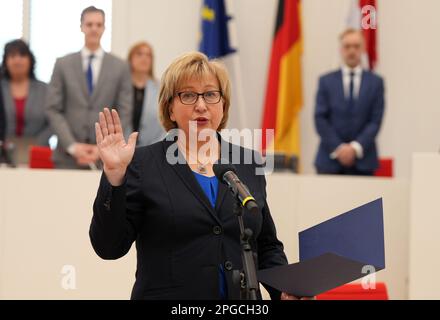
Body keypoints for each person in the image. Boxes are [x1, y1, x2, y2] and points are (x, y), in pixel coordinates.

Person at [89, 52, 302, 300]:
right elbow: (108, 247)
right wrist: (114, 177)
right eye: (188, 95)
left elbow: (265, 246)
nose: (201, 105)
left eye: (211, 94)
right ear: (170, 108)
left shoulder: (248, 163)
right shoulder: (142, 164)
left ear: (223, 105)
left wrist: (286, 289)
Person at [45, 6, 132, 169]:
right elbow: (53, 108)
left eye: (99, 25)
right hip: (66, 158)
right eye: (89, 24)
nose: (94, 29)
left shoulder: (120, 67)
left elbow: (124, 111)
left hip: (105, 159)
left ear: (104, 28)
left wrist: (102, 147)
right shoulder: (63, 64)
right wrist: (72, 146)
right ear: (81, 27)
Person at [314, 29, 385, 176]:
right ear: (341, 49)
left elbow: (375, 120)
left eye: (356, 46)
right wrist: (339, 148)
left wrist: (355, 148)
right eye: (347, 46)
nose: (352, 51)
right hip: (329, 161)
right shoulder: (326, 81)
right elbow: (320, 118)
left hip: (364, 162)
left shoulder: (376, 82)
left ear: (363, 48)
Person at [1, 39, 51, 163]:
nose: (17, 60)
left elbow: (53, 120)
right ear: (6, 61)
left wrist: (38, 143)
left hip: (39, 151)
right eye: (12, 56)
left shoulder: (45, 89)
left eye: (22, 55)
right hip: (3, 153)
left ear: (30, 60)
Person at [128, 41, 165, 146]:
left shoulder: (161, 89)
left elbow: (165, 124)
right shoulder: (121, 88)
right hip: (121, 149)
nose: (144, 58)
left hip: (151, 149)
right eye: (139, 54)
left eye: (148, 55)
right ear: (130, 58)